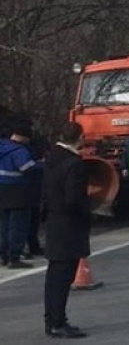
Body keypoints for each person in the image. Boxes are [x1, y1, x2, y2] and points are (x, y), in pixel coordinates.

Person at [42, 122, 90, 338]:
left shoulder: (51, 159)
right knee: (63, 277)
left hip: (54, 219)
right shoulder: (74, 164)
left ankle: (51, 319)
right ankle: (58, 322)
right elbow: (74, 199)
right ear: (79, 138)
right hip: (69, 224)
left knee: (54, 276)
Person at [0, 123, 41, 269]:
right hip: (18, 191)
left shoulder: (2, 146)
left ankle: (3, 255)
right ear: (24, 137)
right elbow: (27, 168)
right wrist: (41, 165)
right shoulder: (19, 151)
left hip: (2, 189)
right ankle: (14, 257)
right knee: (18, 225)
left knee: (4, 224)